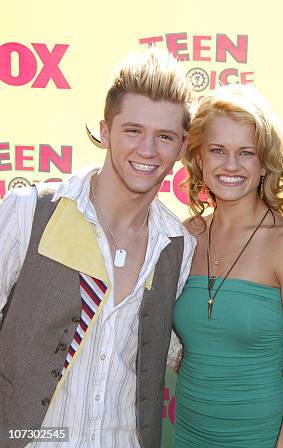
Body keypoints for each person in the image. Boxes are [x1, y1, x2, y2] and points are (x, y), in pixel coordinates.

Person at [0, 48, 196, 448]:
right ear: (106, 131)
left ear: (181, 147)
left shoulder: (178, 245)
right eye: (133, 130)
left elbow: (177, 350)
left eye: (165, 137)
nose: (147, 150)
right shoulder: (28, 213)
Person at [174, 84, 283, 448]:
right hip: (189, 434)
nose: (231, 166)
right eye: (218, 151)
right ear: (199, 158)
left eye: (246, 153)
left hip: (264, 436)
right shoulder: (184, 236)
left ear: (264, 162)